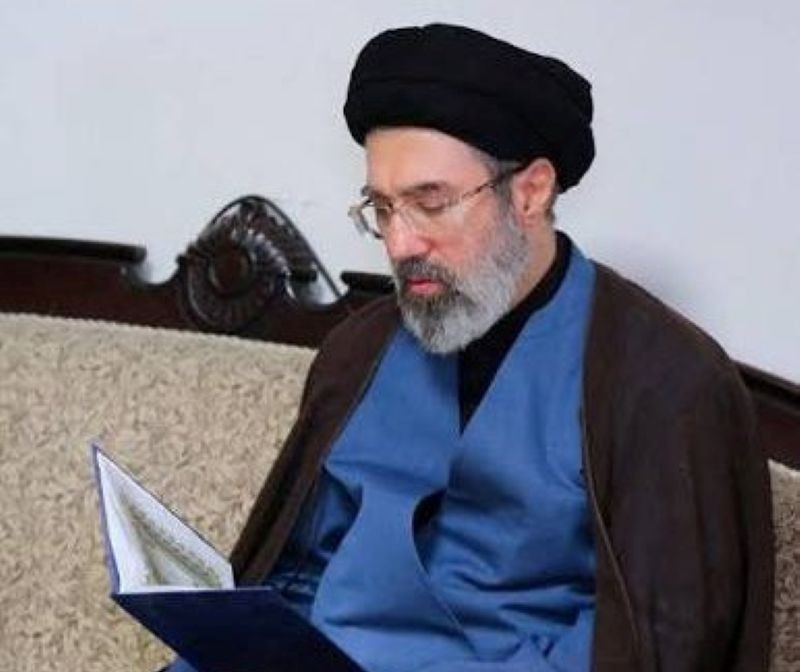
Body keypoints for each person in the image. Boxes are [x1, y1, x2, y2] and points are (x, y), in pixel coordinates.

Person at [169, 23, 773, 672]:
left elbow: (659, 647)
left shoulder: (665, 382)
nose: (400, 243)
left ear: (531, 191)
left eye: (430, 203)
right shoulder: (359, 351)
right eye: (382, 208)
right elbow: (292, 577)